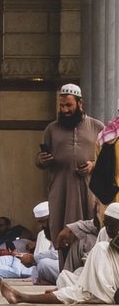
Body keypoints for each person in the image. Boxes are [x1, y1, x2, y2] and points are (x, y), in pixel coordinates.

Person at [36, 83, 104, 269]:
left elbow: (108, 162)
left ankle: (87, 276)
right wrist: (42, 160)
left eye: (69, 105)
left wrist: (93, 165)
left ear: (80, 104)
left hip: (88, 191)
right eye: (62, 106)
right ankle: (65, 277)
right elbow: (40, 161)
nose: (64, 110)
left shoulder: (97, 127)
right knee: (61, 235)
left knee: (90, 234)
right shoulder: (51, 129)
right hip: (61, 192)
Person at [0, 202, 119, 305]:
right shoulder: (104, 232)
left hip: (113, 287)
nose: (108, 230)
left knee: (99, 249)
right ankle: (24, 297)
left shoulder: (101, 248)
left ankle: (23, 297)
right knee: (66, 277)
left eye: (112, 227)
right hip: (104, 279)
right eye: (106, 225)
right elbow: (95, 266)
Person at [17, 201, 59, 285]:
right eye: (39, 222)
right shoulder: (47, 232)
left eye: (43, 221)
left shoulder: (62, 229)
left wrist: (34, 258)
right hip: (59, 266)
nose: (42, 225)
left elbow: (58, 255)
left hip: (74, 269)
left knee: (44, 264)